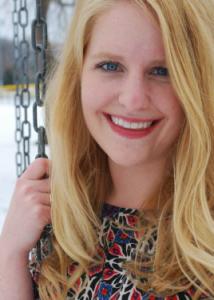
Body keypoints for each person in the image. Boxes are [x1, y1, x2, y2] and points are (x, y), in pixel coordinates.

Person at [0, 0, 214, 299]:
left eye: (162, 71)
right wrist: (10, 254)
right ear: (79, 76)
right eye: (110, 66)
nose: (133, 99)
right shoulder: (60, 213)